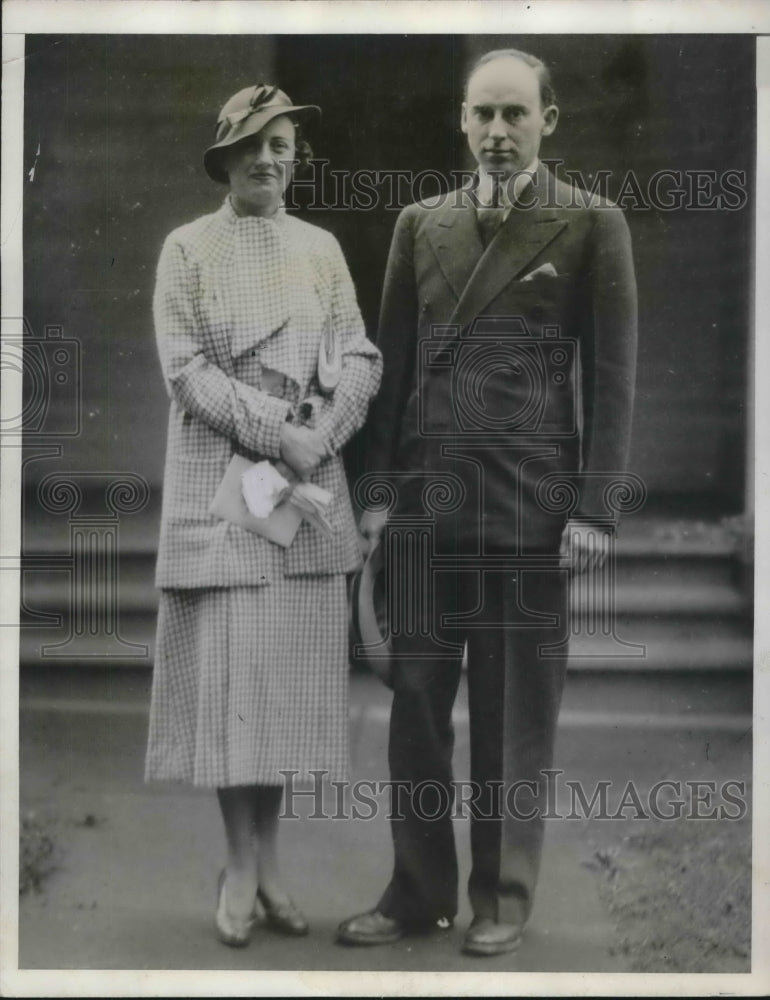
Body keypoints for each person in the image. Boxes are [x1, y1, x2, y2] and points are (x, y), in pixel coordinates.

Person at [337, 49, 637, 956]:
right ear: (461, 124)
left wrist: (595, 510)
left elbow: (616, 377)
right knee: (417, 708)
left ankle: (503, 897)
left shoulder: (591, 223)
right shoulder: (419, 224)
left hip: (531, 512)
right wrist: (377, 496)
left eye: (516, 114)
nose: (498, 132)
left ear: (550, 120)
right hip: (429, 511)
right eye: (483, 116)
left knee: (514, 716)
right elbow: (390, 372)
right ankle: (415, 890)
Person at [144, 83, 381, 947]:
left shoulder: (320, 249)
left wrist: (323, 431)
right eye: (251, 145)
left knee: (283, 692)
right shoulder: (187, 249)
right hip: (225, 483)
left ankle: (270, 861)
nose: (268, 158)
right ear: (224, 159)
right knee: (233, 686)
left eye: (281, 145)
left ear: (294, 158)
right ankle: (237, 865)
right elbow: (187, 371)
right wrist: (276, 432)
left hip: (306, 487)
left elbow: (358, 352)